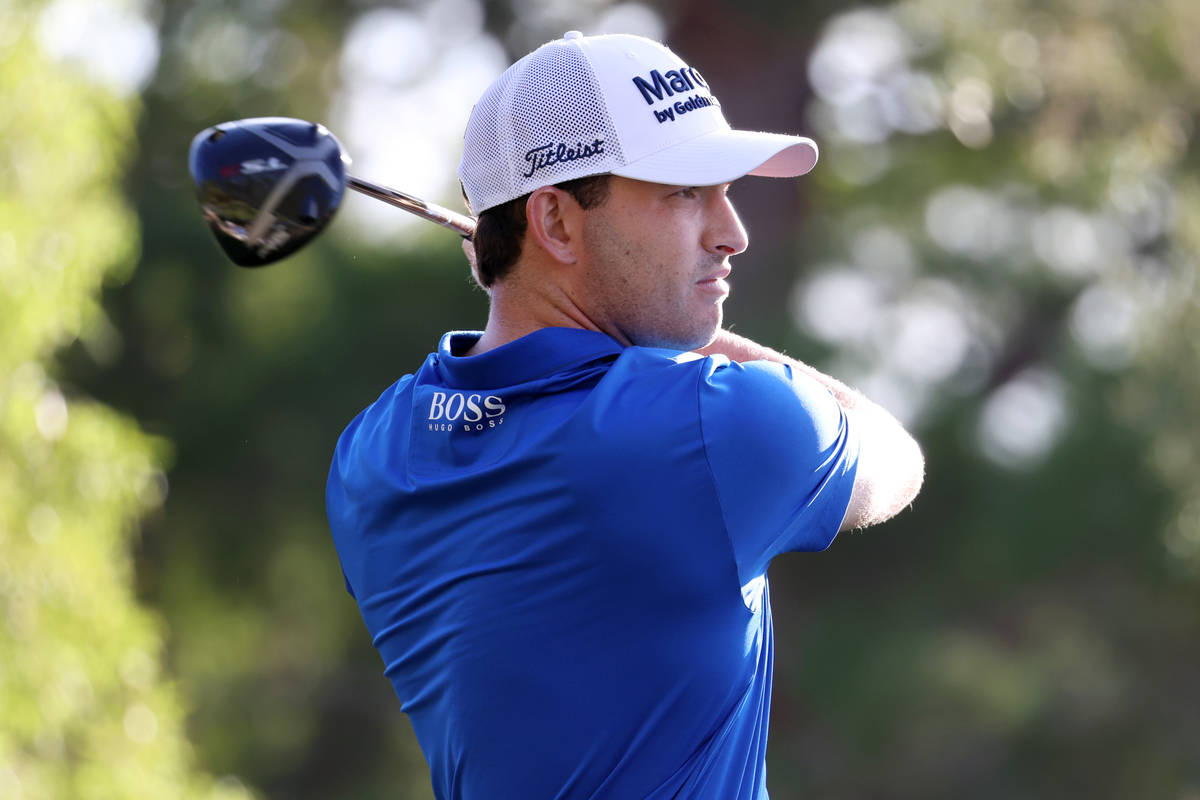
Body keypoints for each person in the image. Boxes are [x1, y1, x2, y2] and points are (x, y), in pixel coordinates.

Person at [326, 31, 923, 800]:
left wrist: (525, 276)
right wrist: (716, 340)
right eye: (683, 192)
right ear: (557, 223)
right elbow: (897, 458)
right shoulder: (719, 429)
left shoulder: (371, 456)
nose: (731, 232)